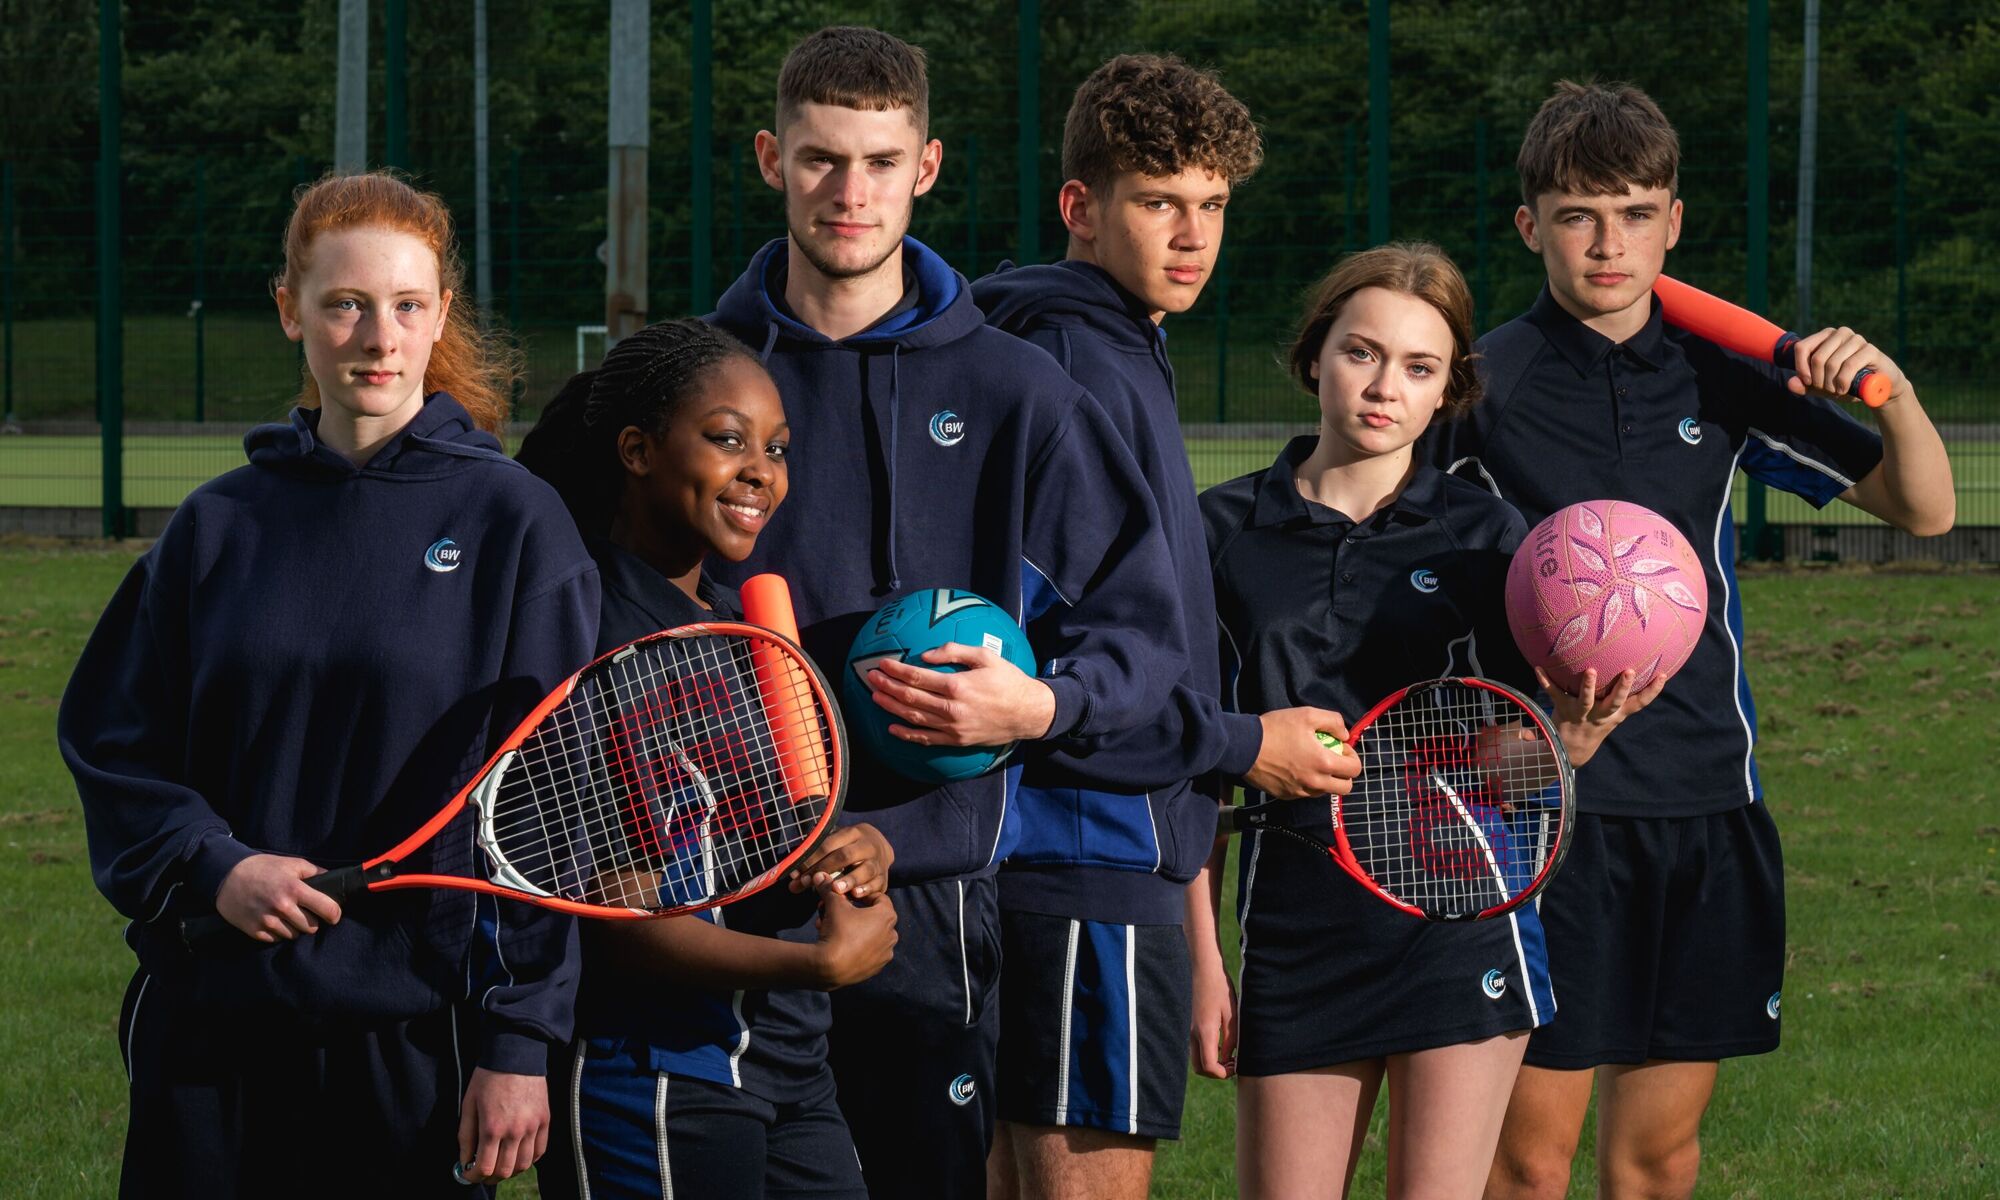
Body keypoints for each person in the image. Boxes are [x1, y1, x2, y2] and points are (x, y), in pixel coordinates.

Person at [1423, 82, 1955, 1200]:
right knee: (1524, 1166)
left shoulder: (1725, 372)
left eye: (1632, 212)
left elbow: (1923, 510)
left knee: (1656, 1159)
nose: (1605, 242)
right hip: (1542, 803)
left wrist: (1893, 396)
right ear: (1530, 227)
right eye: (1576, 214)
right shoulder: (1479, 384)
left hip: (1706, 799)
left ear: (1673, 221)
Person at [704, 26, 1189, 1200]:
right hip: (725, 882)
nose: (848, 192)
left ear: (926, 167)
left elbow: (1140, 633)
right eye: (821, 159)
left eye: (879, 161)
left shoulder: (1013, 392)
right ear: (771, 158)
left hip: (926, 893)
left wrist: (1039, 703)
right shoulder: (694, 376)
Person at [57, 171, 600, 1197]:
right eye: (344, 304)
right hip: (212, 1016)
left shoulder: (515, 526)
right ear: (289, 312)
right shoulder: (218, 528)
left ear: (441, 315)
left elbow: (554, 813)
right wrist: (213, 863)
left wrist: (517, 1041)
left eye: (405, 306)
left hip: (411, 1030)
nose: (377, 338)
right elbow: (110, 741)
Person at [971, 54, 1357, 1200]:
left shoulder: (1081, 339)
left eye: (1211, 206)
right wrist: (1245, 745)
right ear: (1079, 209)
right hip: (1084, 848)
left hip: (1039, 853)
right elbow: (1079, 646)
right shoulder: (1080, 360)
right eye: (1157, 203)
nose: (1191, 235)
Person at [1201, 244, 1651, 1199]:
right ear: (1314, 354)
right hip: (1295, 921)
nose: (1383, 387)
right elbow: (1195, 766)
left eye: (1419, 367)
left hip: (1458, 914)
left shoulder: (1490, 541)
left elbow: (1512, 766)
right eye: (1361, 353)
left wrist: (1565, 746)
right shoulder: (1220, 534)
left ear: (1449, 390)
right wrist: (1201, 961)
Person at [517, 317, 898, 1200]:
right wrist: (812, 966)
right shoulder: (579, 629)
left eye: (778, 447)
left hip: (792, 1063)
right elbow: (604, 912)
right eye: (728, 440)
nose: (763, 471)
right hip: (649, 1071)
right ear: (638, 450)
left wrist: (858, 853)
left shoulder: (750, 632)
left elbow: (780, 832)